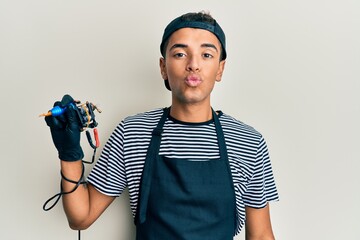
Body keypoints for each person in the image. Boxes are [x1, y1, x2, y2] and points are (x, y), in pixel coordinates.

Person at [45, 11, 279, 240]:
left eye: (207, 55)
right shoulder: (132, 132)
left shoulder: (248, 141)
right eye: (180, 54)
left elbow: (260, 235)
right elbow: (81, 218)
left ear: (220, 68)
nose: (193, 65)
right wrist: (69, 153)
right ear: (163, 67)